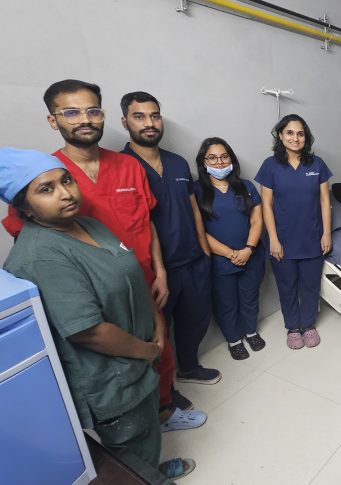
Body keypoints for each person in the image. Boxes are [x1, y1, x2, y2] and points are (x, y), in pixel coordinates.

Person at [1, 80, 204, 432]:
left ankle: (164, 413)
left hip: (144, 282)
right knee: (119, 369)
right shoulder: (46, 176)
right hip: (97, 296)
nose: (85, 119)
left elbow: (146, 222)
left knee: (161, 350)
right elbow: (38, 246)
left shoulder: (127, 166)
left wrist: (159, 271)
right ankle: (135, 435)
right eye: (71, 112)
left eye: (92, 110)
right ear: (53, 120)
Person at [1, 148, 195, 481]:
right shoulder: (40, 256)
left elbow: (129, 267)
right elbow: (87, 331)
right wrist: (148, 350)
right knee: (130, 452)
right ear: (25, 208)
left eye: (66, 181)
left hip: (140, 355)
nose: (65, 193)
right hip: (113, 377)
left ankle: (153, 470)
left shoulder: (88, 225)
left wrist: (156, 323)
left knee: (147, 438)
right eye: (46, 189)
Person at [120, 91, 220, 385]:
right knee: (158, 330)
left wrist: (205, 250)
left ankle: (189, 367)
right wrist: (155, 270)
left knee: (196, 319)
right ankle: (165, 391)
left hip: (193, 259)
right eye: (139, 116)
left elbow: (193, 208)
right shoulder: (122, 166)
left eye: (154, 116)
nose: (149, 123)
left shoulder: (177, 163)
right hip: (155, 270)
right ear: (125, 122)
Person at [255, 114, 332, 350]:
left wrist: (326, 233)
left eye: (300, 133)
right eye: (290, 133)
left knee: (310, 285)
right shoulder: (270, 165)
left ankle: (308, 325)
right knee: (287, 286)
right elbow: (266, 204)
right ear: (280, 135)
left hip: (312, 237)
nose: (295, 138)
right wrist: (273, 239)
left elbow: (324, 200)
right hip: (282, 240)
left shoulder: (317, 164)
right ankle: (292, 328)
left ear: (306, 137)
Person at [194, 137, 266, 360]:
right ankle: (234, 339)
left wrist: (248, 249)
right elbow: (198, 230)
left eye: (224, 157)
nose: (219, 162)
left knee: (249, 296)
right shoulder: (196, 191)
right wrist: (230, 254)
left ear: (231, 159)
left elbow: (257, 220)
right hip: (220, 260)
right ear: (204, 162)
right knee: (226, 302)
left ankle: (250, 331)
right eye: (212, 158)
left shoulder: (246, 186)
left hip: (251, 255)